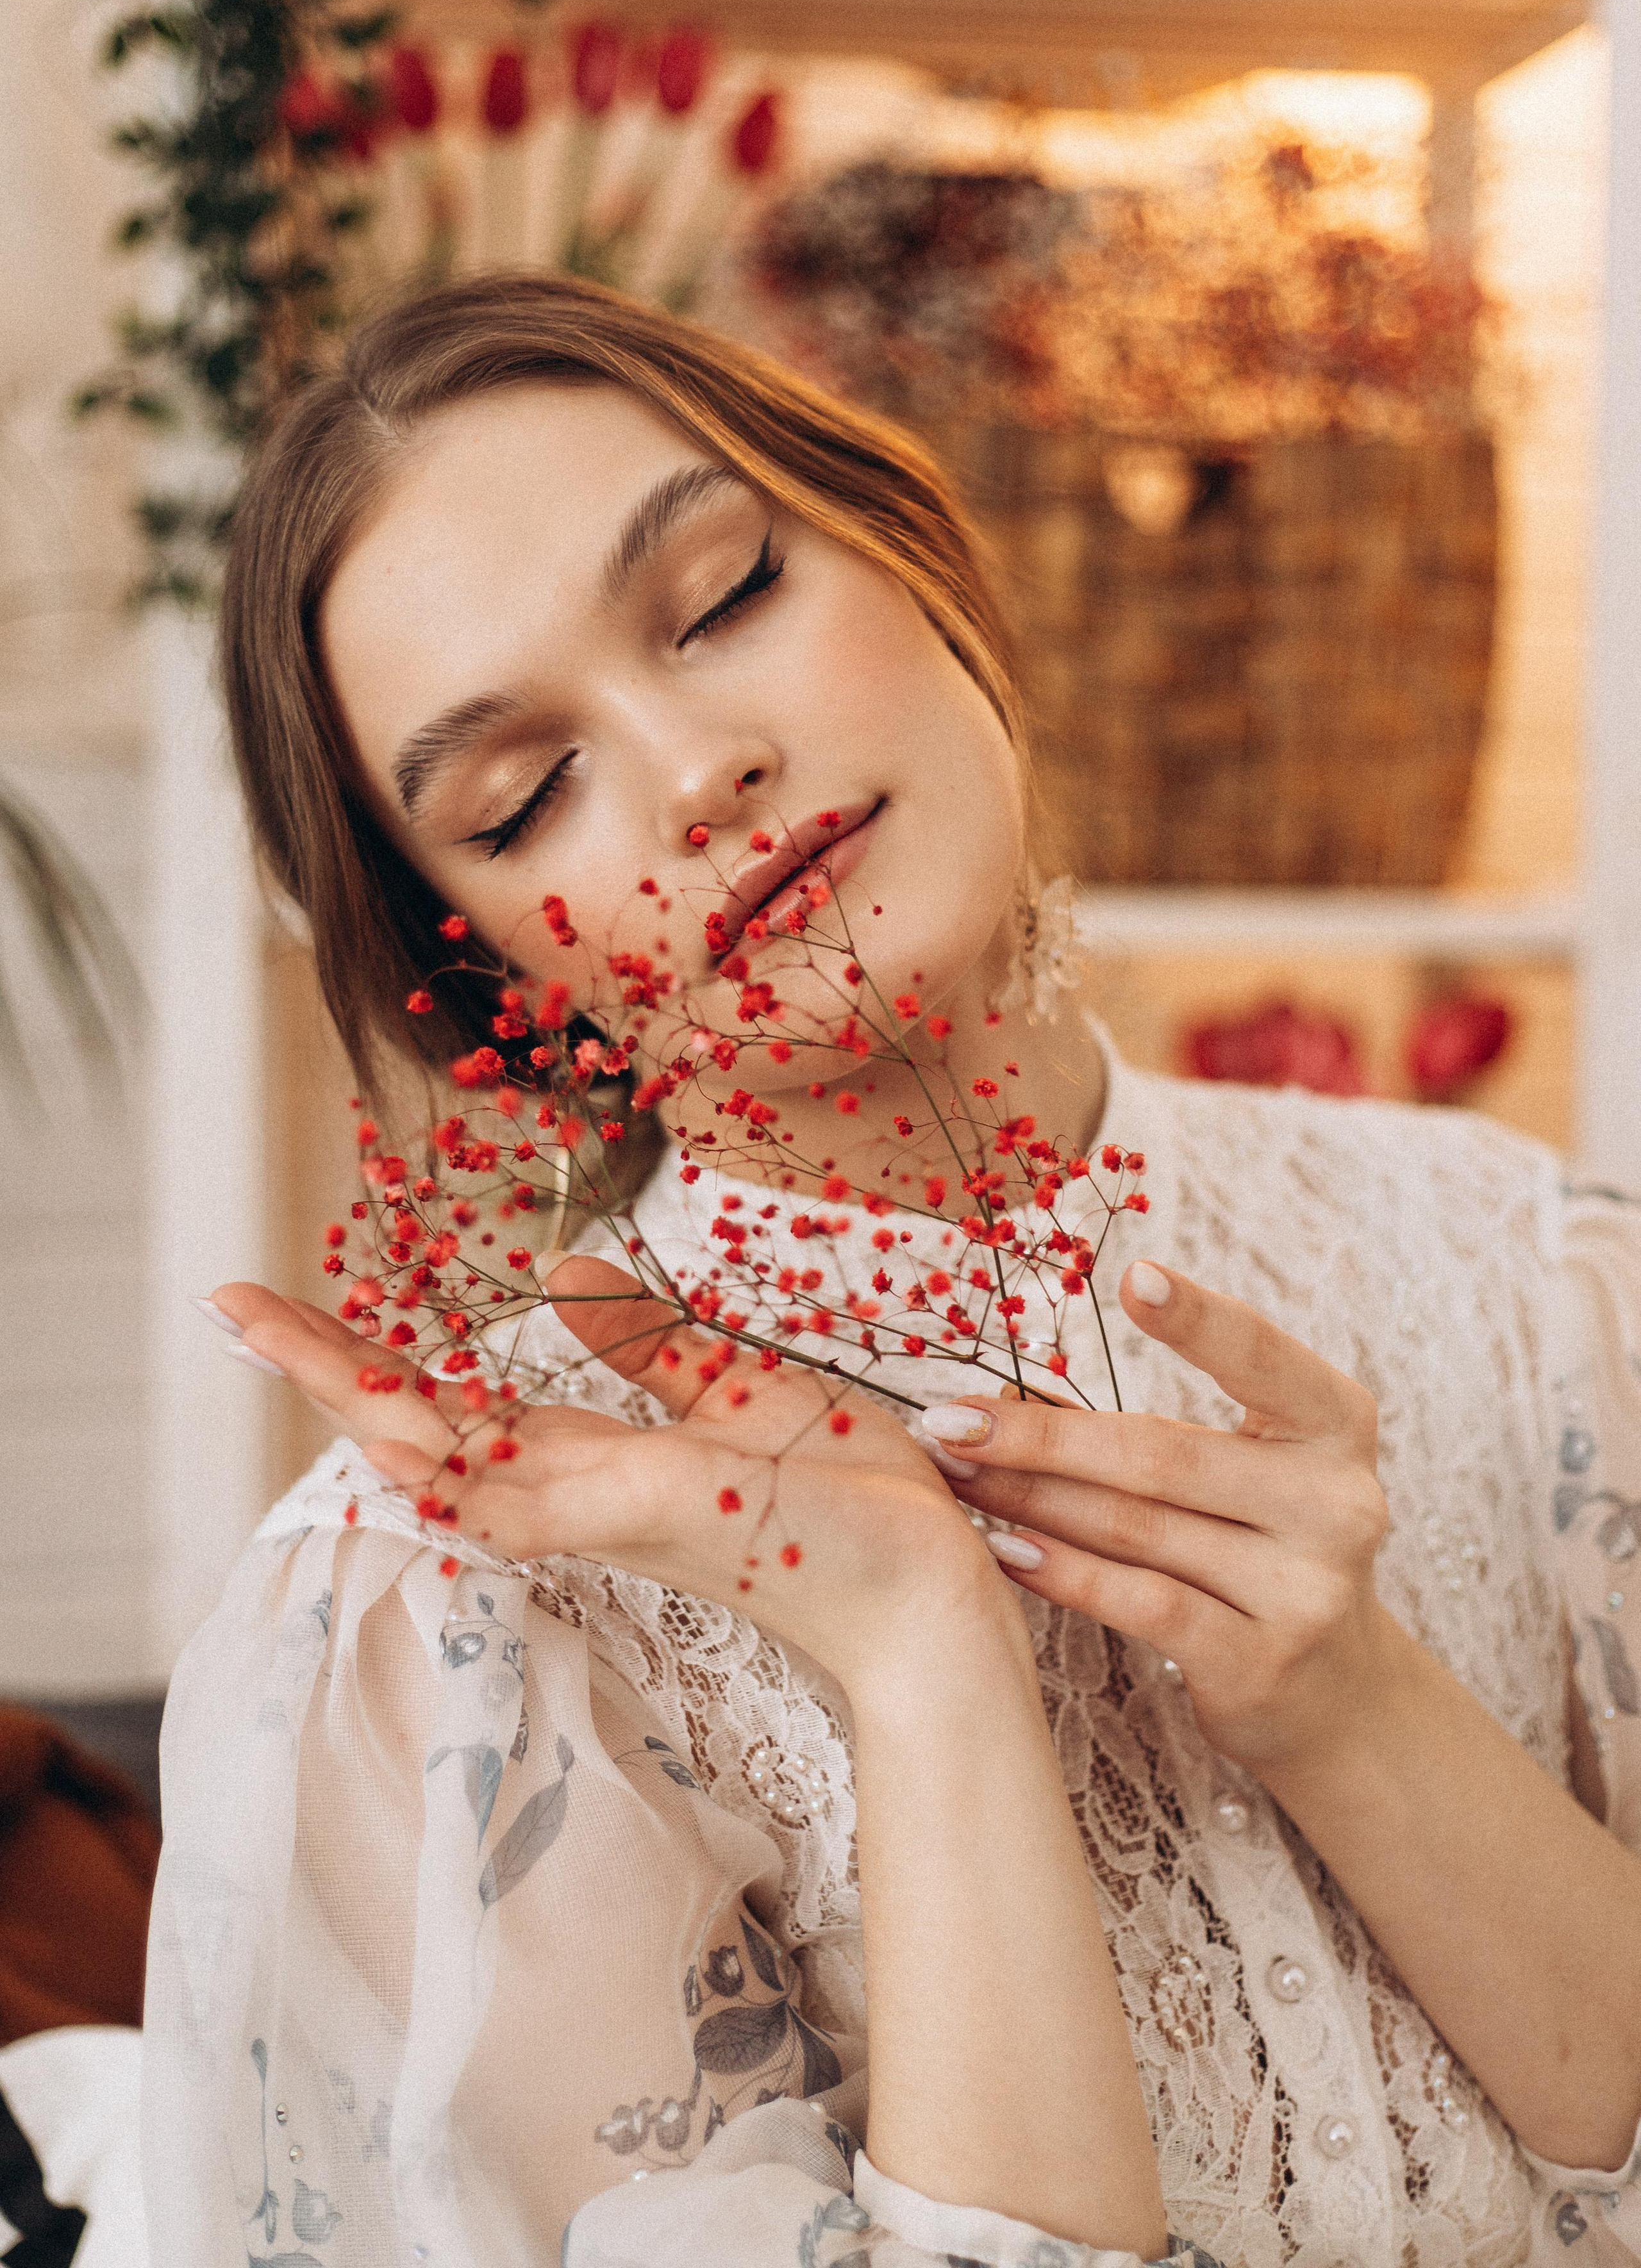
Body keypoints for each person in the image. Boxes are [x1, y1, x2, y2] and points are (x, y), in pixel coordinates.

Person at [145, 273, 1641, 2268]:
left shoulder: (1533, 1283)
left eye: (725, 596)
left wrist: (1353, 1703)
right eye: (522, 795)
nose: (696, 770)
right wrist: (925, 1654)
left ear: (916, 549)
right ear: (484, 971)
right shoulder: (457, 1620)